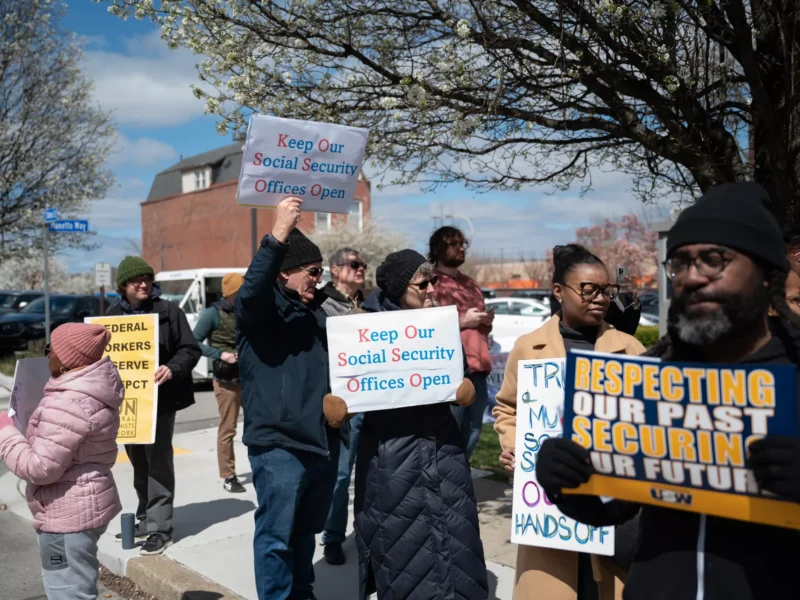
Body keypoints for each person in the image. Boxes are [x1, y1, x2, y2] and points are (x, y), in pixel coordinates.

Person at [536, 182, 800, 600]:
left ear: (767, 275)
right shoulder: (652, 377)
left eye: (714, 260)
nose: (691, 277)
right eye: (679, 263)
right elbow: (614, 508)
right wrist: (567, 483)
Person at [325, 249, 489, 600]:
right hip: (392, 455)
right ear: (400, 288)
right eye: (423, 282)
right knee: (403, 551)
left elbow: (454, 376)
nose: (432, 288)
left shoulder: (438, 325)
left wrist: (461, 388)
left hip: (444, 451)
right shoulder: (364, 330)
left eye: (434, 281)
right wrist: (340, 403)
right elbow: (349, 385)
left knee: (457, 544)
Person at [493, 244, 645, 600]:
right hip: (549, 513)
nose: (601, 299)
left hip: (612, 509)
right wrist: (516, 448)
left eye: (608, 290)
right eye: (589, 289)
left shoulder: (631, 349)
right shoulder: (528, 347)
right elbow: (507, 409)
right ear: (559, 291)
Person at [236, 197, 340, 600]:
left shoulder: (314, 313)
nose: (318, 278)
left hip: (319, 440)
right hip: (279, 443)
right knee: (277, 536)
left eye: (321, 271)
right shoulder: (260, 312)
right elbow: (251, 292)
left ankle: (302, 592)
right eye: (313, 271)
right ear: (284, 274)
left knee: (304, 531)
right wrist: (278, 234)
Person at [0, 323, 124, 600]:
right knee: (78, 586)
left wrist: (5, 433)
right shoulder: (92, 392)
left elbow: (39, 468)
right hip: (86, 503)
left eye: (50, 350)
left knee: (68, 592)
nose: (47, 357)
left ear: (67, 360)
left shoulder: (70, 402)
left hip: (67, 515)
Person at [106, 256, 201, 555]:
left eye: (147, 279)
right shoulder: (110, 316)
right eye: (137, 281)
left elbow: (190, 348)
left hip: (161, 400)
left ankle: (161, 528)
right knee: (138, 462)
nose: (144, 284)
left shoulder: (169, 311)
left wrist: (172, 368)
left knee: (158, 461)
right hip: (127, 403)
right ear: (123, 286)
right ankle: (147, 516)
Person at [429, 226, 494, 459]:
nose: (460, 248)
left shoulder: (471, 284)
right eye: (453, 244)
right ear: (438, 248)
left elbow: (479, 328)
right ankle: (442, 488)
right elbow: (427, 327)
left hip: (479, 369)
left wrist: (486, 321)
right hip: (450, 371)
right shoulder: (430, 284)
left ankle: (459, 485)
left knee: (473, 432)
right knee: (448, 434)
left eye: (462, 244)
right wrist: (462, 321)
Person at [320, 247, 367, 566]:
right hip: (342, 404)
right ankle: (333, 537)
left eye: (363, 265)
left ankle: (365, 534)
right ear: (335, 270)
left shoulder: (369, 304)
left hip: (371, 400)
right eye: (354, 265)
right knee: (340, 475)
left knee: (369, 474)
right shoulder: (321, 305)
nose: (361, 269)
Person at [192, 272, 246, 494]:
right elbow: (193, 341)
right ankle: (229, 475)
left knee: (259, 425)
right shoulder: (213, 314)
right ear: (232, 292)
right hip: (226, 381)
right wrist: (219, 354)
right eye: (241, 290)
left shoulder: (248, 310)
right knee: (228, 429)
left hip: (250, 378)